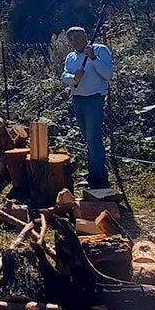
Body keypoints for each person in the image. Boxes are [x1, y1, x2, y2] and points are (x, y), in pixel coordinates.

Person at [62, 26, 113, 189]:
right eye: (71, 39)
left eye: (77, 37)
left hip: (94, 99)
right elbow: (64, 75)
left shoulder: (100, 50)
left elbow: (108, 74)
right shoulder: (71, 56)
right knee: (88, 139)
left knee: (93, 138)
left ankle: (97, 178)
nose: (74, 41)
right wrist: (74, 78)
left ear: (86, 36)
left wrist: (93, 58)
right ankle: (97, 172)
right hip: (78, 99)